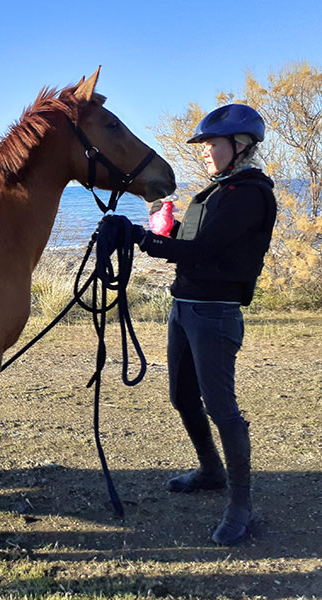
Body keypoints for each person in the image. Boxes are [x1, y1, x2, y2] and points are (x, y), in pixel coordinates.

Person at [130, 104, 277, 545]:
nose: (205, 152)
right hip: (185, 307)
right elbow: (188, 242)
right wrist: (161, 231)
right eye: (205, 145)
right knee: (181, 397)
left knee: (221, 407)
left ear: (241, 146)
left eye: (212, 144)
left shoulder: (248, 194)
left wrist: (143, 241)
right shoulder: (216, 192)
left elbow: (205, 250)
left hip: (214, 313)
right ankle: (211, 471)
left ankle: (241, 506)